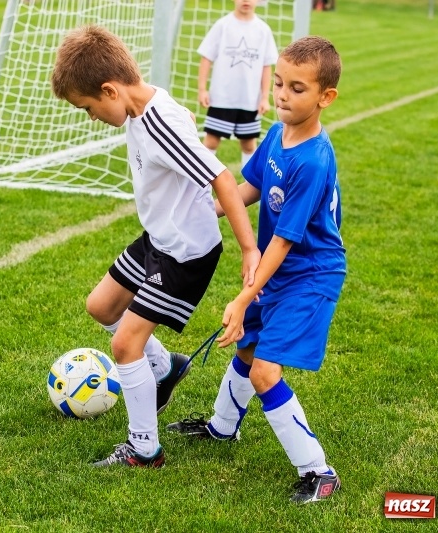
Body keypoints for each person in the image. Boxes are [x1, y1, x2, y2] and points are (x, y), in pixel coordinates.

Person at [50, 25, 260, 468]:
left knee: (126, 345)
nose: (91, 117)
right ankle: (165, 368)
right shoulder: (141, 105)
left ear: (110, 90)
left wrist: (248, 249)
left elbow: (222, 179)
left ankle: (144, 448)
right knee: (101, 306)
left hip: (185, 252)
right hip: (159, 237)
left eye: (88, 108)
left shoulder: (159, 123)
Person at [168, 36, 346, 503]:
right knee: (247, 346)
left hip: (310, 275)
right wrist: (208, 211)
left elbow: (284, 240)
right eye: (280, 83)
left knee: (265, 370)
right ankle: (222, 427)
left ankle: (319, 472)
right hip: (279, 267)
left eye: (297, 88)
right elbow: (251, 186)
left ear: (326, 97)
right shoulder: (276, 133)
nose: (283, 95)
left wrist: (244, 295)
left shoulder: (312, 160)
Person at [197, 0, 278, 168]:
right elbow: (206, 57)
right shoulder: (223, 25)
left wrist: (264, 97)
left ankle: (249, 182)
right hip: (222, 98)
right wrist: (202, 89)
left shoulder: (263, 30)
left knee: (248, 144)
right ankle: (200, 180)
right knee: (211, 141)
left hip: (249, 100)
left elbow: (266, 66)